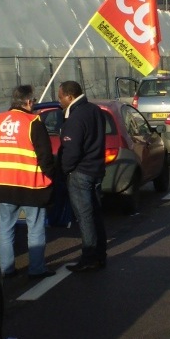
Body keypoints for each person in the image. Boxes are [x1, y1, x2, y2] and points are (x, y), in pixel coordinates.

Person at [0, 84, 55, 279]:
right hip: (31, 184)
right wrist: (51, 177)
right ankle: (36, 268)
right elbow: (45, 155)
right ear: (28, 101)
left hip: (2, 184)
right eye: (33, 101)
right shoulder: (33, 122)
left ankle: (6, 269)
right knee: (35, 228)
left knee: (5, 229)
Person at [58, 79, 108, 271]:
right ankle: (100, 254)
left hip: (81, 172)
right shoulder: (95, 111)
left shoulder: (75, 117)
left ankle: (89, 257)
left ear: (69, 97)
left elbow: (71, 150)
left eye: (61, 97)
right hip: (96, 169)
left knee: (84, 217)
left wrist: (66, 169)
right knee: (95, 214)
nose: (59, 101)